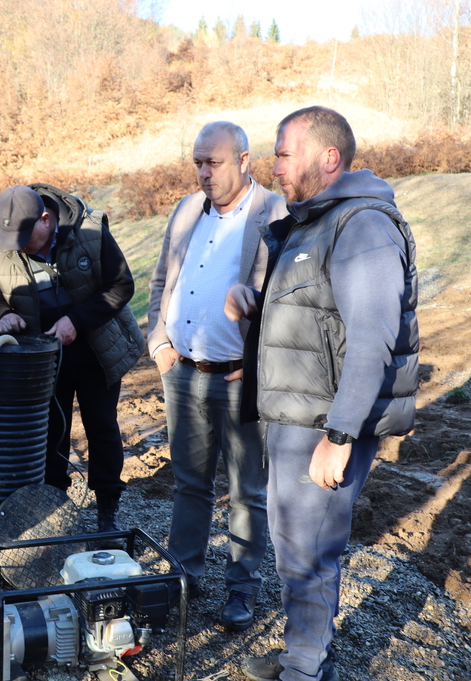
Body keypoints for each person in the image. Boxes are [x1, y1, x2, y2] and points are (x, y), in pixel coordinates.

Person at [221, 106, 418, 681]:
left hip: (323, 428)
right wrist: (254, 309)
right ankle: (298, 655)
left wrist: (340, 435)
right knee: (291, 547)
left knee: (310, 555)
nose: (273, 164)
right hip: (291, 419)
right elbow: (313, 322)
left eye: (283, 152)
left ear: (327, 158)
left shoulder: (362, 226)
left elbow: (371, 339)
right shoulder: (309, 224)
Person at [147, 121, 287, 631]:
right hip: (182, 372)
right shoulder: (187, 210)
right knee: (189, 485)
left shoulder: (275, 213)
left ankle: (241, 590)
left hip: (239, 379)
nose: (204, 173)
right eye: (198, 163)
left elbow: (290, 298)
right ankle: (183, 578)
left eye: (215, 162)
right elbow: (163, 278)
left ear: (245, 161)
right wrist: (159, 342)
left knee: (246, 489)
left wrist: (261, 364)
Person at [0, 184, 145, 532]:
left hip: (97, 353)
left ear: (45, 219)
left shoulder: (90, 232)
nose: (19, 246)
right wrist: (1, 316)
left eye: (26, 237)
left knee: (102, 427)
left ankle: (106, 510)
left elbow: (121, 286)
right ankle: (53, 509)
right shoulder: (3, 242)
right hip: (42, 360)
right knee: (50, 432)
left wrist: (77, 321)